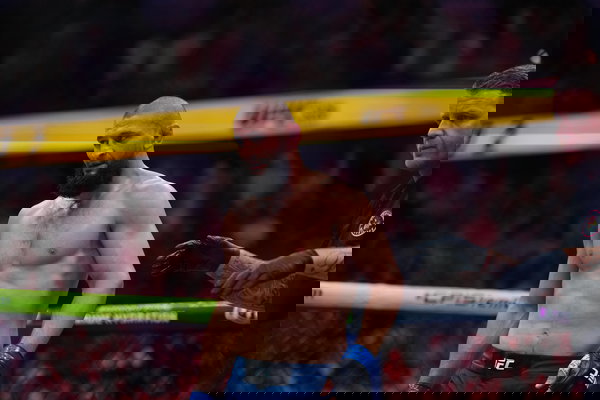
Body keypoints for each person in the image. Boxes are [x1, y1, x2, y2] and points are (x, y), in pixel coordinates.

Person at [153, 101, 403, 392]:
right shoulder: (240, 215)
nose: (252, 153)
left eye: (261, 144)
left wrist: (363, 349)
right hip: (256, 366)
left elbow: (386, 279)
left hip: (317, 361)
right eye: (246, 145)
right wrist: (210, 382)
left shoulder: (339, 201)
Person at [0, 96, 187, 382]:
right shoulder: (49, 206)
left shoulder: (142, 191)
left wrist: (24, 347)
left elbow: (105, 284)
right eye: (114, 133)